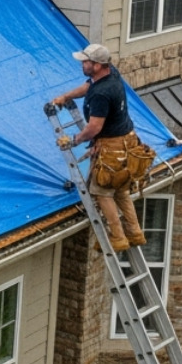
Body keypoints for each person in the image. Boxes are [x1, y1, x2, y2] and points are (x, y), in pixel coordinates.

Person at [52, 42, 148, 252]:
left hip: (112, 148)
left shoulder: (102, 94)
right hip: (127, 142)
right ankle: (135, 232)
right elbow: (88, 86)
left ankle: (118, 237)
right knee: (121, 190)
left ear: (97, 64)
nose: (82, 64)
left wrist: (73, 140)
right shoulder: (110, 74)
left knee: (102, 192)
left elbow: (94, 127)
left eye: (86, 62)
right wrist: (67, 96)